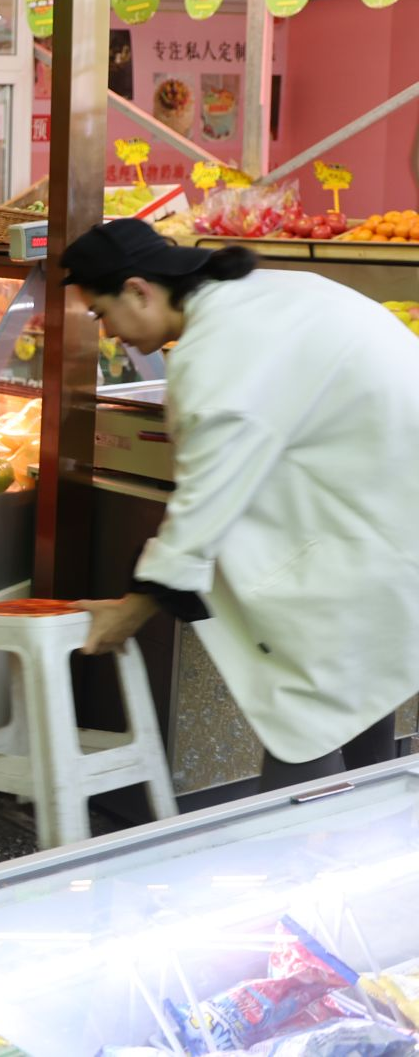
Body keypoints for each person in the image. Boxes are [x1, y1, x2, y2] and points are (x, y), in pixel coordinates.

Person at [65, 219, 419, 792]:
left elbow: (207, 500)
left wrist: (132, 608)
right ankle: (364, 835)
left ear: (138, 290)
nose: (108, 332)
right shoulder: (263, 295)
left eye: (101, 313)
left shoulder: (218, 348)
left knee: (307, 714)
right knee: (353, 688)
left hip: (381, 523)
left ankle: (289, 844)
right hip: (381, 510)